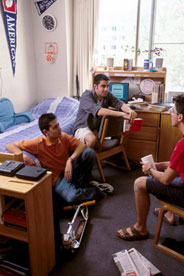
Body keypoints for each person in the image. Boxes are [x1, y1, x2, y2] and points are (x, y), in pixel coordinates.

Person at [6, 113, 103, 257]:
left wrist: (70, 160)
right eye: (55, 127)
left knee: (89, 153)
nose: (60, 128)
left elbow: (82, 145)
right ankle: (97, 191)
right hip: (57, 178)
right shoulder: (38, 144)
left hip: (68, 170)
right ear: (46, 132)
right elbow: (10, 145)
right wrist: (24, 156)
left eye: (58, 125)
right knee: (72, 197)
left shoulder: (63, 137)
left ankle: (83, 185)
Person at [117, 95, 184, 241]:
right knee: (168, 171)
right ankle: (170, 212)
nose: (169, 113)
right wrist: (160, 165)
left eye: (172, 110)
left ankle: (140, 228)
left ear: (180, 117)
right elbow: (178, 164)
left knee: (140, 183)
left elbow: (166, 180)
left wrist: (150, 170)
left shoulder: (182, 145)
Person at [73, 74, 137, 148]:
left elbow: (119, 103)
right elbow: (99, 111)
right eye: (103, 86)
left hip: (96, 128)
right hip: (83, 127)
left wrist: (130, 111)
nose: (106, 89)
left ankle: (112, 158)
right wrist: (122, 114)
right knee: (91, 140)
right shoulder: (86, 96)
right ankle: (87, 158)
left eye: (107, 86)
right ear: (95, 86)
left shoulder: (107, 94)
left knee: (119, 133)